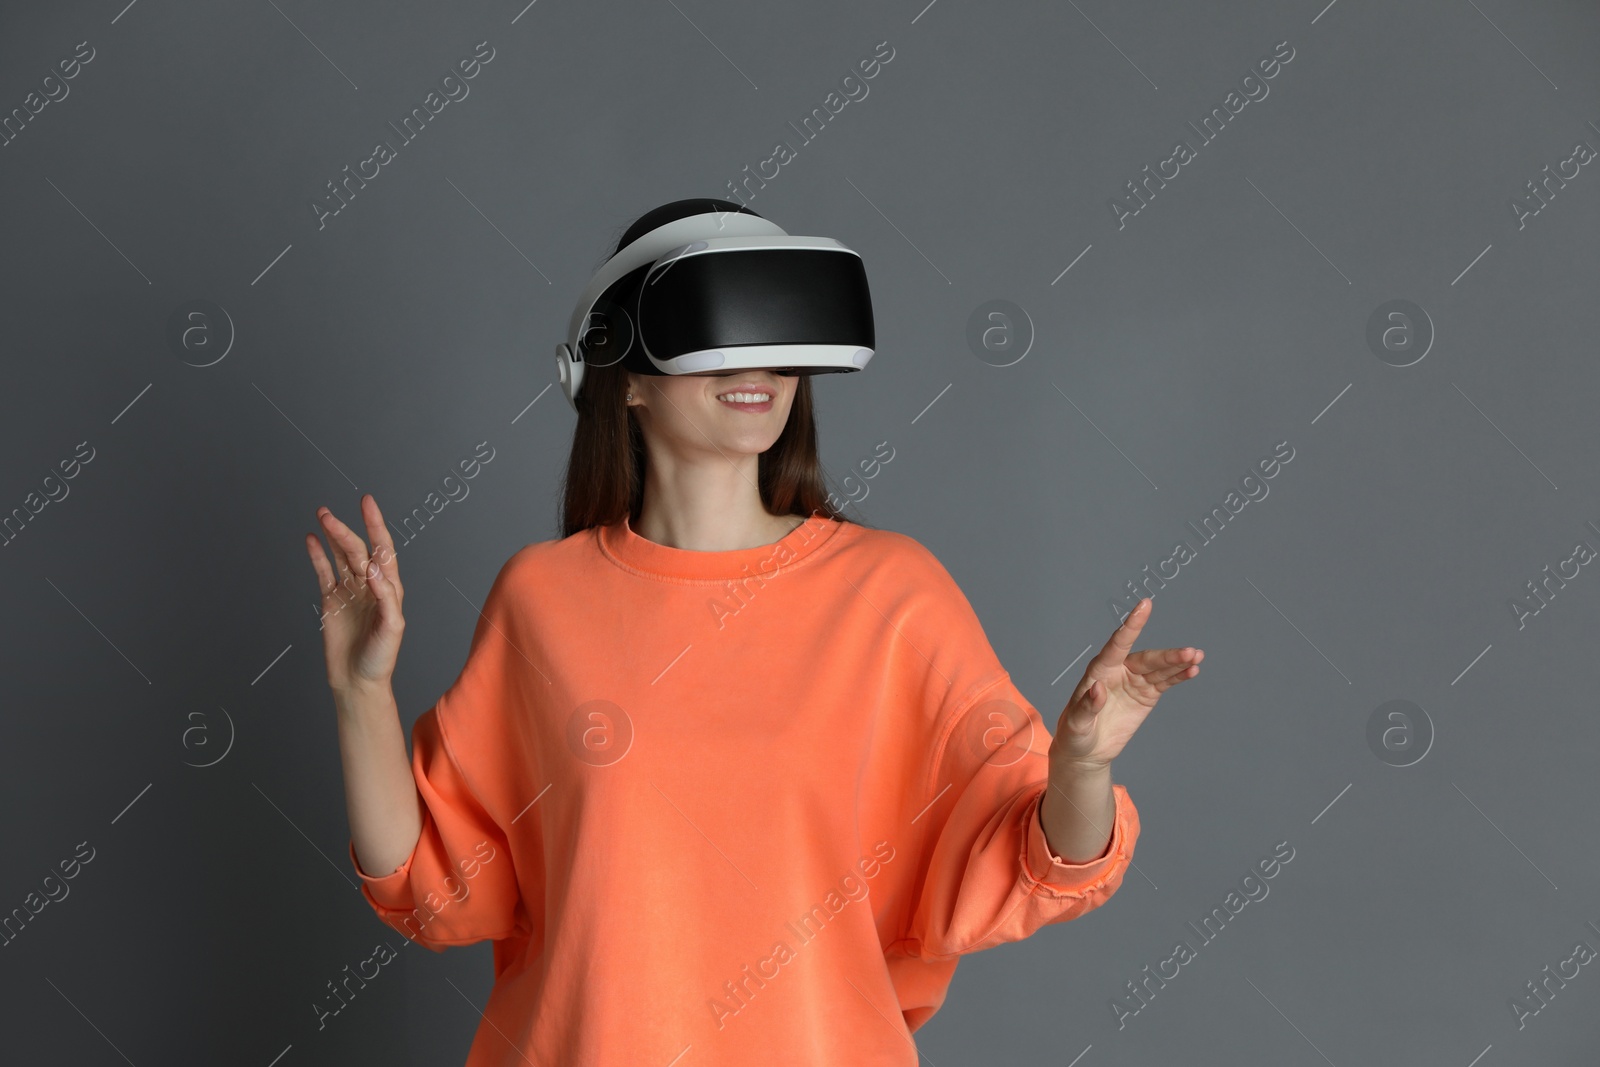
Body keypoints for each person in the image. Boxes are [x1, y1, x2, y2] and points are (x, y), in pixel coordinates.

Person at [307, 198, 1203, 1066]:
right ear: (622, 376)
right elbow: (428, 884)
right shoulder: (542, 599)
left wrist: (1081, 762)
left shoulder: (891, 595)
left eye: (784, 337)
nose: (761, 364)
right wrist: (360, 692)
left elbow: (1043, 860)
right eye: (718, 326)